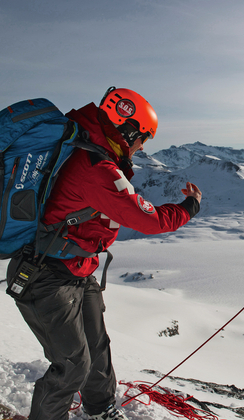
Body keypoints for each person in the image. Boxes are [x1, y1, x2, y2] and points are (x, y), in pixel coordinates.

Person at [6, 87, 202, 420]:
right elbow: (147, 219)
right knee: (72, 365)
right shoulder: (95, 166)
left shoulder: (96, 154)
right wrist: (189, 207)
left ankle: (101, 409)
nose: (142, 147)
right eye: (142, 138)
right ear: (127, 130)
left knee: (96, 349)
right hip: (46, 276)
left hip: (75, 269)